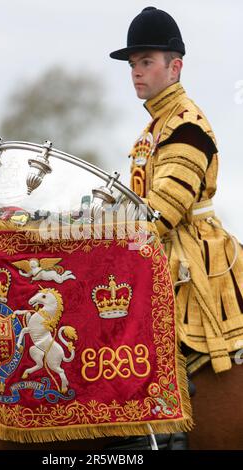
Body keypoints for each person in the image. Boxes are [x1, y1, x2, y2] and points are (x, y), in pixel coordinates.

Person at [107, 6, 243, 449]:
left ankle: (166, 436)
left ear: (175, 65)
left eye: (146, 61)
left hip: (192, 256)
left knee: (149, 326)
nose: (136, 73)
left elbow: (159, 216)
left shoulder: (186, 126)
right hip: (162, 246)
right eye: (132, 65)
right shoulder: (153, 127)